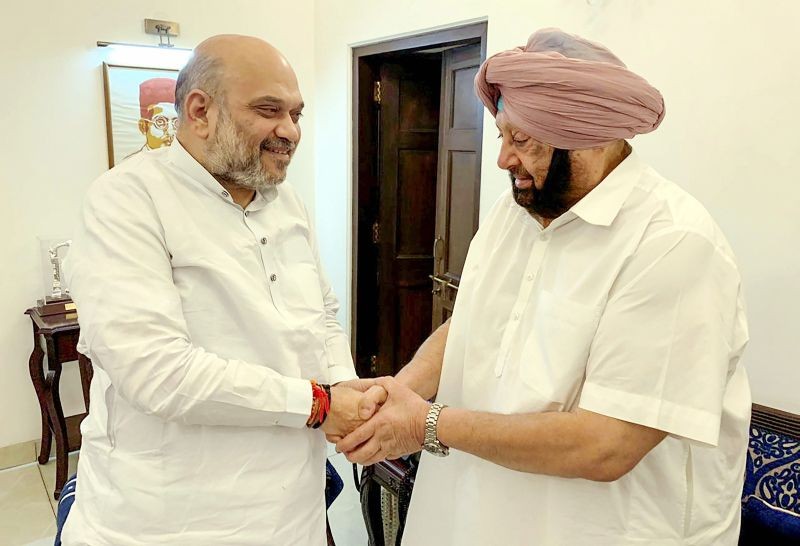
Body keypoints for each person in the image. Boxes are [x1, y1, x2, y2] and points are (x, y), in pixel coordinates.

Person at [339, 28, 750, 545]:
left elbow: (607, 444)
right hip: (474, 515)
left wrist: (426, 424)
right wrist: (402, 389)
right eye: (502, 136)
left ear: (594, 135)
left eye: (524, 140)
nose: (503, 160)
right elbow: (471, 322)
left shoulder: (673, 244)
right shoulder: (516, 211)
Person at [62, 35, 384, 546]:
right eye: (269, 110)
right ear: (199, 110)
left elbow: (319, 315)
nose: (291, 131)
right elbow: (158, 371)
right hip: (170, 523)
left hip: (290, 515)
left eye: (296, 114)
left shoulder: (287, 202)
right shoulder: (126, 201)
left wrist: (343, 387)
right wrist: (318, 404)